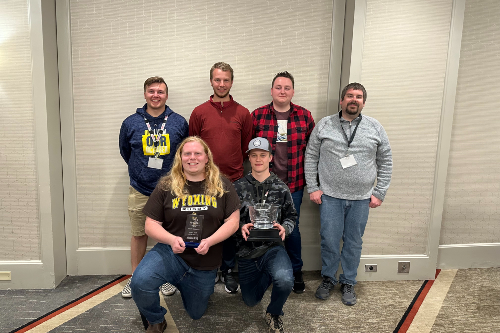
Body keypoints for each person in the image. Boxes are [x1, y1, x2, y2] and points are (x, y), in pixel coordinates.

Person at [130, 137, 240, 332]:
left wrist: (210, 240)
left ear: (207, 158)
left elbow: (233, 222)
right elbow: (150, 225)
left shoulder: (222, 185)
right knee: (140, 281)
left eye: (197, 153)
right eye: (187, 154)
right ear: (180, 158)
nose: (192, 158)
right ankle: (156, 320)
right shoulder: (166, 185)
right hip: (171, 253)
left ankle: (187, 287)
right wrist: (171, 239)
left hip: (204, 260)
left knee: (196, 313)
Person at [304, 82, 393, 305]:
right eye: (350, 96)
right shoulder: (325, 125)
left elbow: (386, 161)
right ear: (342, 100)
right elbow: (311, 157)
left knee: (353, 242)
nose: (354, 100)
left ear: (363, 102)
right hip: (330, 196)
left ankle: (349, 281)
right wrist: (313, 188)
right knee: (330, 241)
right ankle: (328, 278)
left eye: (359, 96)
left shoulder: (375, 127)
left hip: (362, 197)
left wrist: (379, 192)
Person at [119, 76, 188, 298]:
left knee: (167, 235)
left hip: (170, 190)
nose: (155, 95)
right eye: (151, 91)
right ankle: (136, 277)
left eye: (160, 91)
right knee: (139, 234)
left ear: (166, 95)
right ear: (145, 94)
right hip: (140, 188)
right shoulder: (131, 123)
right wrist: (140, 172)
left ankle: (166, 277)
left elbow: (184, 154)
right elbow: (125, 152)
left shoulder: (178, 122)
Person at [189, 62, 253, 293]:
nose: (222, 84)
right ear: (211, 81)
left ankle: (226, 270)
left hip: (234, 180)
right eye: (218, 80)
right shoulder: (199, 112)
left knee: (230, 228)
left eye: (226, 80)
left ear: (231, 82)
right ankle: (207, 268)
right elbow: (193, 148)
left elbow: (245, 146)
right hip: (203, 181)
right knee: (205, 225)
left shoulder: (243, 113)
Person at [251, 71, 315, 293]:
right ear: (271, 91)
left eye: (287, 88)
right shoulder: (257, 116)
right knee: (263, 227)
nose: (282, 91)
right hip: (264, 184)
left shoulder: (305, 116)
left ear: (293, 92)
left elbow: (313, 152)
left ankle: (296, 271)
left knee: (291, 229)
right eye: (278, 87)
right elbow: (249, 150)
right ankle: (266, 270)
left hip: (294, 184)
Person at [233, 137, 296, 333]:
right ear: (249, 159)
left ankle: (274, 312)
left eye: (263, 155)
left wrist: (286, 227)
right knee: (250, 301)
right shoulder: (237, 187)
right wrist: (240, 226)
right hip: (246, 251)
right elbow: (228, 219)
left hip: (272, 248)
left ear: (270, 157)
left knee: (285, 280)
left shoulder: (281, 187)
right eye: (254, 155)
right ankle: (267, 274)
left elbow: (292, 216)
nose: (258, 159)